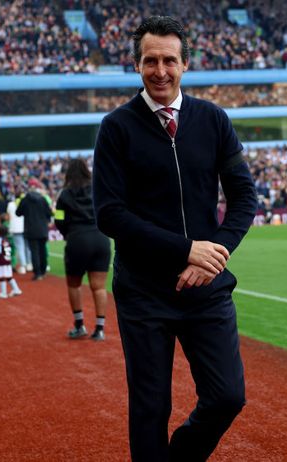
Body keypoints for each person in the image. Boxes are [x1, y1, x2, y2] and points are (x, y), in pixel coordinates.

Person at [92, 16, 257, 461]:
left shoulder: (213, 120)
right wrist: (186, 249)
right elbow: (110, 214)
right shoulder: (116, 127)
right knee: (151, 407)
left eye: (169, 60)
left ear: (185, 64)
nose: (160, 70)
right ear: (137, 66)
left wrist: (212, 257)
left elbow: (244, 197)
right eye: (150, 60)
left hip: (205, 286)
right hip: (144, 291)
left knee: (228, 396)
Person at [54, 158, 111, 341]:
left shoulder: (64, 195)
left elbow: (59, 220)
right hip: (100, 239)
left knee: (74, 284)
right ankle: (100, 328)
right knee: (99, 286)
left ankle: (79, 325)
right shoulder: (97, 189)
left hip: (77, 239)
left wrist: (68, 234)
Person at [15, 186, 52, 280]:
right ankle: (43, 271)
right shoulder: (42, 199)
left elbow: (18, 213)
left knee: (34, 251)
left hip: (30, 228)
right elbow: (49, 213)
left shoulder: (25, 200)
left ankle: (38, 273)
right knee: (42, 250)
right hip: (42, 228)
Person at [0, 225, 22, 299]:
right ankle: (16, 289)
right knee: (9, 277)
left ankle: (3, 293)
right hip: (7, 261)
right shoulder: (6, 240)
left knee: (1, 277)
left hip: (1, 262)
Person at [6, 190, 30, 274]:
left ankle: (23, 266)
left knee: (20, 247)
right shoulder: (26, 203)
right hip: (25, 227)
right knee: (27, 247)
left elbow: (8, 216)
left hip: (15, 228)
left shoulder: (11, 204)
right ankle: (29, 264)